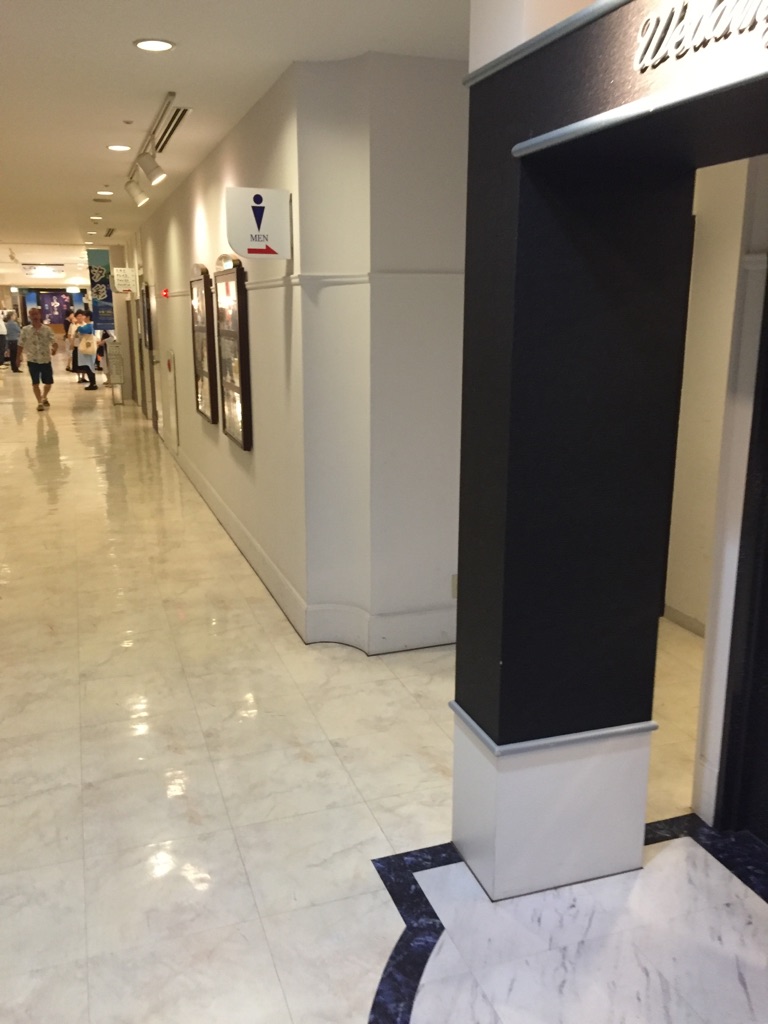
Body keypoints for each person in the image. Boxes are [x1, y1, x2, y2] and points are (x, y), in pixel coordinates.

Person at [17, 307, 58, 410]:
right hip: (32, 359)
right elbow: (20, 344)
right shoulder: (25, 330)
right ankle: (39, 402)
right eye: (32, 315)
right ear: (29, 316)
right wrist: (18, 357)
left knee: (48, 382)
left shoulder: (47, 329)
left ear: (40, 315)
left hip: (45, 359)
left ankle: (44, 396)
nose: (35, 316)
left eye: (36, 314)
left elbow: (54, 341)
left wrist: (54, 348)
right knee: (35, 382)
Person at [75, 311, 98, 390]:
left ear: (88, 317)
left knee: (89, 366)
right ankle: (93, 383)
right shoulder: (92, 325)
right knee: (89, 366)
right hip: (90, 348)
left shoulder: (89, 325)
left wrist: (77, 325)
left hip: (88, 349)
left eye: (84, 316)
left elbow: (81, 329)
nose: (82, 317)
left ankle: (93, 383)